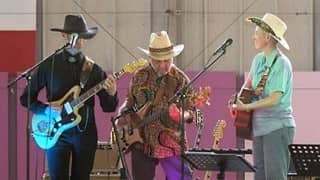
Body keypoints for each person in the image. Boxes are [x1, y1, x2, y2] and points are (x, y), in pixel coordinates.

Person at [20, 15, 119, 180]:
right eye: (74, 35)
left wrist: (112, 93)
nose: (78, 40)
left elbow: (108, 107)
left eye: (82, 37)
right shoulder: (48, 65)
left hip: (85, 133)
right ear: (64, 36)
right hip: (56, 132)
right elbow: (26, 98)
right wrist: (45, 109)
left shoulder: (94, 70)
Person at [116, 31, 195, 180]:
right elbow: (130, 102)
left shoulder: (181, 79)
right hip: (141, 141)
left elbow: (191, 112)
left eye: (167, 60)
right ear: (150, 58)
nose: (163, 65)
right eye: (158, 61)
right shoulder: (139, 75)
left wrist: (181, 115)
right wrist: (122, 119)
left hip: (171, 140)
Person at [230, 13, 296, 180]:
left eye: (256, 33)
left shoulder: (282, 63)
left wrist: (247, 107)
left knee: (274, 176)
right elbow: (248, 87)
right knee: (260, 175)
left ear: (267, 37)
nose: (253, 37)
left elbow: (275, 98)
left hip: (277, 126)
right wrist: (236, 100)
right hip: (259, 127)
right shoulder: (258, 60)